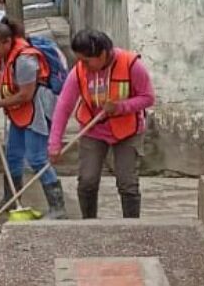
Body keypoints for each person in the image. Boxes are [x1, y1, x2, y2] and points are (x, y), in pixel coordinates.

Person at [50, 29, 156, 219]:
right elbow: (64, 107)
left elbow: (148, 98)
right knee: (87, 181)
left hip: (127, 131)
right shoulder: (79, 72)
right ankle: (89, 223)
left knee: (127, 183)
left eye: (86, 61)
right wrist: (54, 143)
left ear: (103, 54)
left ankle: (131, 227)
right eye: (79, 60)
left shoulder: (132, 65)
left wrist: (120, 107)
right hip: (93, 129)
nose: (82, 65)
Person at [0, 19, 66, 219]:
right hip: (18, 110)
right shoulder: (2, 51)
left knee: (37, 158)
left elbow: (25, 95)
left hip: (37, 110)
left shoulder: (26, 60)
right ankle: (11, 200)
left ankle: (58, 208)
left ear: (8, 42)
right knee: (12, 156)